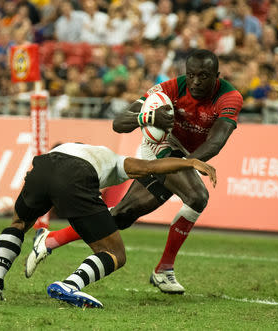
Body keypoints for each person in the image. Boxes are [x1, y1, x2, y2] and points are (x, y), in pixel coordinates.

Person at [24, 49, 243, 295]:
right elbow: (119, 123)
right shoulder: (170, 88)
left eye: (203, 76)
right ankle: (164, 270)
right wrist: (148, 116)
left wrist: (188, 162)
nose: (195, 82)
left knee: (122, 215)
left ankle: (50, 239)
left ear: (217, 76)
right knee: (197, 196)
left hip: (186, 153)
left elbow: (216, 141)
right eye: (191, 75)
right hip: (160, 146)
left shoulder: (229, 97)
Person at [0, 142, 216, 308]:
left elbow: (47, 166)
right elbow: (149, 168)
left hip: (42, 166)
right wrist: (190, 162)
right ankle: (70, 285)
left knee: (19, 222)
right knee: (115, 254)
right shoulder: (115, 160)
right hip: (76, 176)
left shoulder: (70, 147)